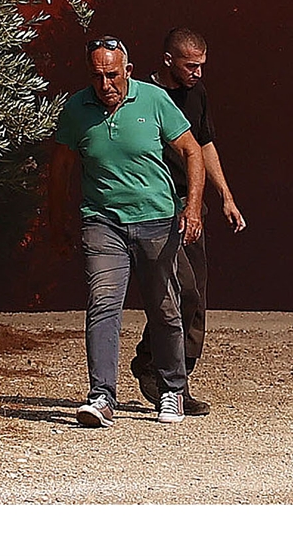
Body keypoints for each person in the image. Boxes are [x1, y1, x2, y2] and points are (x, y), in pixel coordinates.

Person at [50, 36, 204, 427]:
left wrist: (193, 207)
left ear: (128, 71)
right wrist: (57, 219)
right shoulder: (76, 108)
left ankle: (171, 390)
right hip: (102, 222)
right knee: (103, 304)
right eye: (98, 76)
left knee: (164, 307)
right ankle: (101, 396)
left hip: (156, 220)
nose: (106, 85)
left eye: (113, 76)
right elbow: (61, 168)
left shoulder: (153, 100)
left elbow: (192, 150)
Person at [129, 27, 244, 415]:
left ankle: (174, 378)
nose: (197, 72)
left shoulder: (197, 94)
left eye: (201, 65)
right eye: (190, 65)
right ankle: (160, 370)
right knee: (182, 293)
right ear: (168, 61)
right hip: (157, 211)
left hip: (192, 206)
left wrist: (224, 195)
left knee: (197, 300)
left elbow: (204, 144)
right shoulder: (144, 97)